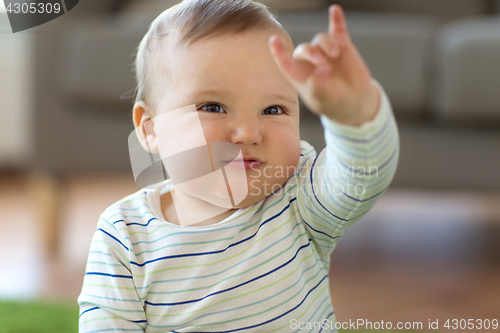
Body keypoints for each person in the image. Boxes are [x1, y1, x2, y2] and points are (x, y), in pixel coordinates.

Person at [78, 0, 399, 331]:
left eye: (273, 110)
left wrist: (356, 112)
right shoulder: (124, 235)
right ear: (150, 128)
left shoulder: (297, 198)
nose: (248, 132)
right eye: (213, 107)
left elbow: (363, 174)